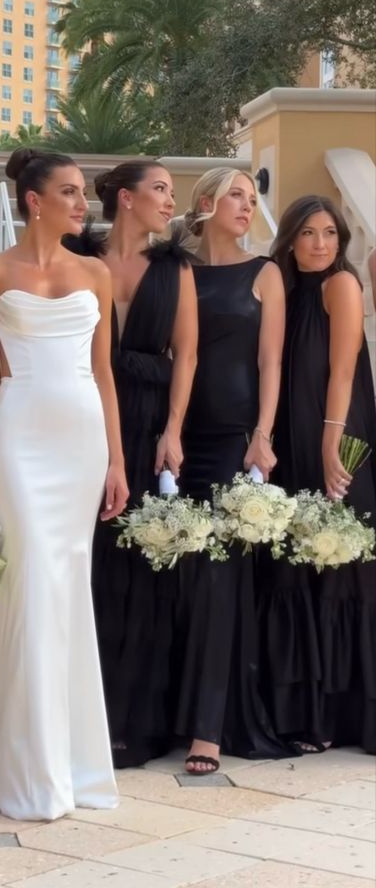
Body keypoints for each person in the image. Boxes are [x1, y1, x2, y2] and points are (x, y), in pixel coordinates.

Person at [0, 148, 129, 821]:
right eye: (69, 192)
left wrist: (118, 463)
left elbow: (104, 375)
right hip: (19, 435)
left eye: (82, 193)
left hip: (82, 437)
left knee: (60, 586)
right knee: (36, 574)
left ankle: (65, 755)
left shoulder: (97, 273)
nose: (81, 203)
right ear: (34, 200)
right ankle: (33, 767)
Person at [65, 160, 198, 767]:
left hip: (147, 424)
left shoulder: (175, 268)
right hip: (80, 414)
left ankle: (136, 721)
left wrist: (172, 429)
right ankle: (75, 713)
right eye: (161, 190)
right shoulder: (76, 253)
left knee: (141, 571)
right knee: (85, 562)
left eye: (173, 192)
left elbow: (187, 353)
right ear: (126, 198)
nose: (172, 202)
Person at [176, 168, 287, 774]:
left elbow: (272, 362)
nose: (248, 205)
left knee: (220, 582)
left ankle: (209, 728)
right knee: (176, 576)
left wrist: (263, 436)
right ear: (207, 204)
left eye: (253, 196)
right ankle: (167, 708)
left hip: (235, 439)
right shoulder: (178, 270)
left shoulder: (264, 272)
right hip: (176, 437)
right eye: (237, 195)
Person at [263, 196, 376, 754]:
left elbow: (344, 371)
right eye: (308, 233)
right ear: (288, 238)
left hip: (336, 432)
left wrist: (330, 442)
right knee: (299, 562)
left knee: (337, 562)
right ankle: (303, 713)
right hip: (291, 434)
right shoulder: (283, 288)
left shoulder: (341, 286)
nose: (321, 244)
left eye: (330, 233)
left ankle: (337, 717)